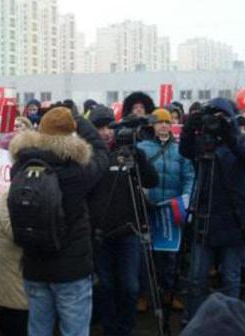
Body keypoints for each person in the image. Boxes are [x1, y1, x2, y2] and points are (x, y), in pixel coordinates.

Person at [8, 106, 108, 336]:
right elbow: (102, 153)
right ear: (72, 133)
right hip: (71, 268)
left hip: (34, 264)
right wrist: (81, 120)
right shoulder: (77, 172)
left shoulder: (20, 167)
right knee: (74, 330)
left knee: (38, 329)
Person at [179, 98, 245, 321]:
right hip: (204, 217)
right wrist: (189, 128)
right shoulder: (205, 143)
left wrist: (230, 138)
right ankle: (193, 319)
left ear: (229, 118)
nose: (215, 120)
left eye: (220, 116)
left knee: (231, 278)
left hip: (234, 220)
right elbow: (185, 150)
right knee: (196, 277)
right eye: (211, 115)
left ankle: (230, 322)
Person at [88, 104, 159, 335]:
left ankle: (126, 329)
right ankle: (110, 329)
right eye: (100, 128)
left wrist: (136, 155)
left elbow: (151, 181)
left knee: (130, 287)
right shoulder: (89, 156)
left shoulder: (130, 152)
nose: (106, 132)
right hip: (101, 233)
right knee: (106, 286)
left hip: (129, 231)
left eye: (110, 127)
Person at [137, 108, 194, 312]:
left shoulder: (181, 150)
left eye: (167, 122)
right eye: (160, 122)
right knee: (146, 256)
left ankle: (171, 293)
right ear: (152, 125)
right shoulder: (141, 148)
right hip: (148, 209)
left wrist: (185, 201)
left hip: (172, 210)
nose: (164, 126)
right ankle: (144, 294)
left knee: (170, 257)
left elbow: (189, 177)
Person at [0, 192, 28, 336]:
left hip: (34, 267)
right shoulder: (8, 196)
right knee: (15, 316)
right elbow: (12, 232)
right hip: (11, 267)